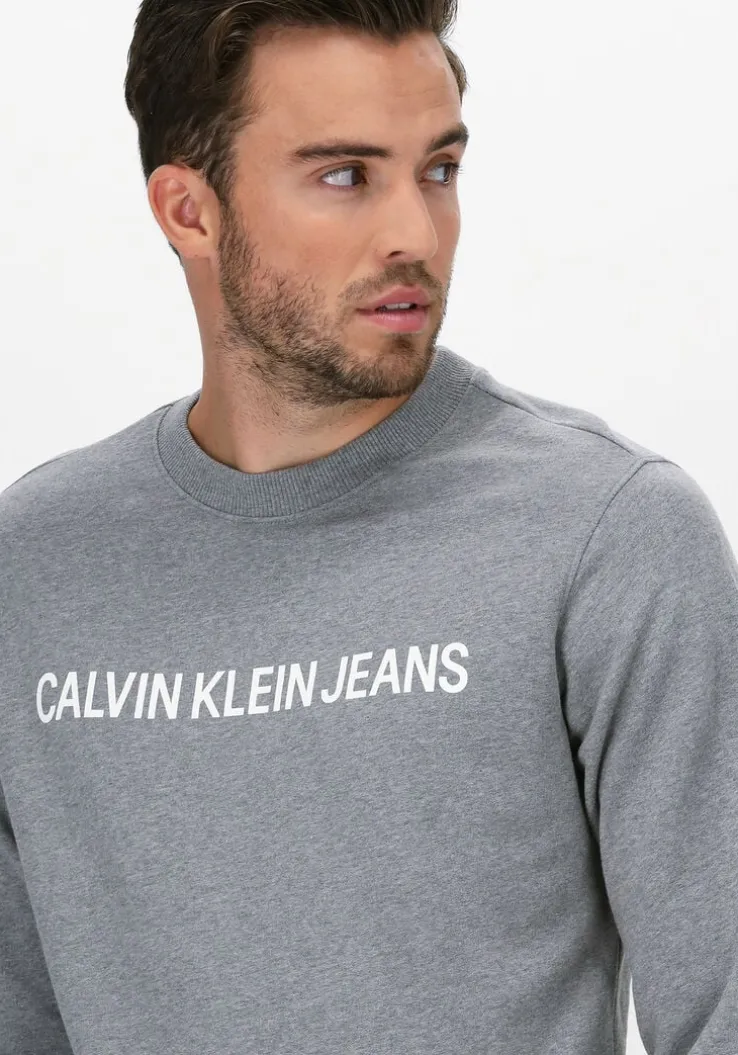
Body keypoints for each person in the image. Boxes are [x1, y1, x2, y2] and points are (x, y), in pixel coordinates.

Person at [1, 1, 736, 1053]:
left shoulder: (608, 535)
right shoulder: (34, 570)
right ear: (188, 210)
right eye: (346, 175)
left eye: (438, 170)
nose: (415, 235)